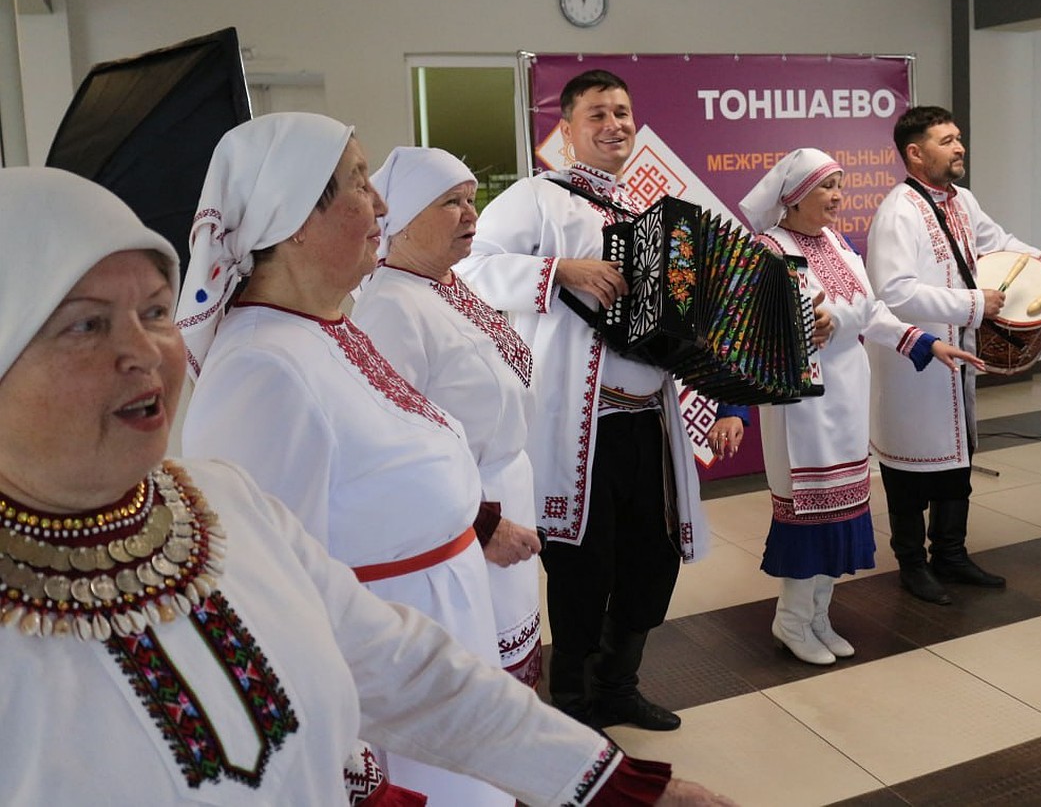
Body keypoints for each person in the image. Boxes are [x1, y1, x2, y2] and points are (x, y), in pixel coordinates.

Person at [0, 166, 738, 806]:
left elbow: (396, 665)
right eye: (85, 326)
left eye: (156, 310)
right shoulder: (266, 367)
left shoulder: (218, 506)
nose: (144, 351)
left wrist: (605, 783)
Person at [176, 113, 500, 806]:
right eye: (358, 183)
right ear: (293, 218)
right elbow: (262, 605)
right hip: (386, 709)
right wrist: (355, 774)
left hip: (434, 656)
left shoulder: (326, 325)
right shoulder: (261, 371)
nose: (381, 202)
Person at [456, 69, 709, 732]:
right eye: (596, 114)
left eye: (622, 112)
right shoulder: (536, 198)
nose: (614, 125)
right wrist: (555, 271)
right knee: (581, 563)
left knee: (650, 558)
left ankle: (619, 687)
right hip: (581, 426)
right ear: (566, 130)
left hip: (649, 423)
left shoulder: (656, 213)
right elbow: (468, 270)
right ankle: (572, 703)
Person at [706, 149, 982, 664]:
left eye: (840, 184)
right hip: (801, 414)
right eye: (825, 187)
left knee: (842, 514)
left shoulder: (837, 242)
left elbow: (872, 311)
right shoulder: (766, 250)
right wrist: (733, 408)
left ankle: (817, 616)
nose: (838, 196)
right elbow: (735, 334)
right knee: (808, 519)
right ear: (792, 198)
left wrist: (925, 343)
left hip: (848, 401)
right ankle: (790, 621)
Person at [865, 105, 1041, 606]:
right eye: (946, 140)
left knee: (956, 461)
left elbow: (997, 242)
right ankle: (912, 566)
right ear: (915, 153)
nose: (959, 146)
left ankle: (951, 554)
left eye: (959, 137)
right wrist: (972, 304)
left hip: (956, 354)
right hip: (913, 362)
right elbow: (893, 292)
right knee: (909, 468)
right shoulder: (898, 212)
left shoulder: (961, 200)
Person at [354, 146, 543, 686]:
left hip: (503, 496)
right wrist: (482, 524)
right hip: (466, 517)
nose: (471, 215)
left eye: (471, 200)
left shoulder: (447, 283)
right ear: (404, 219)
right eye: (450, 202)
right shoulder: (391, 305)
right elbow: (394, 449)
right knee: (482, 671)